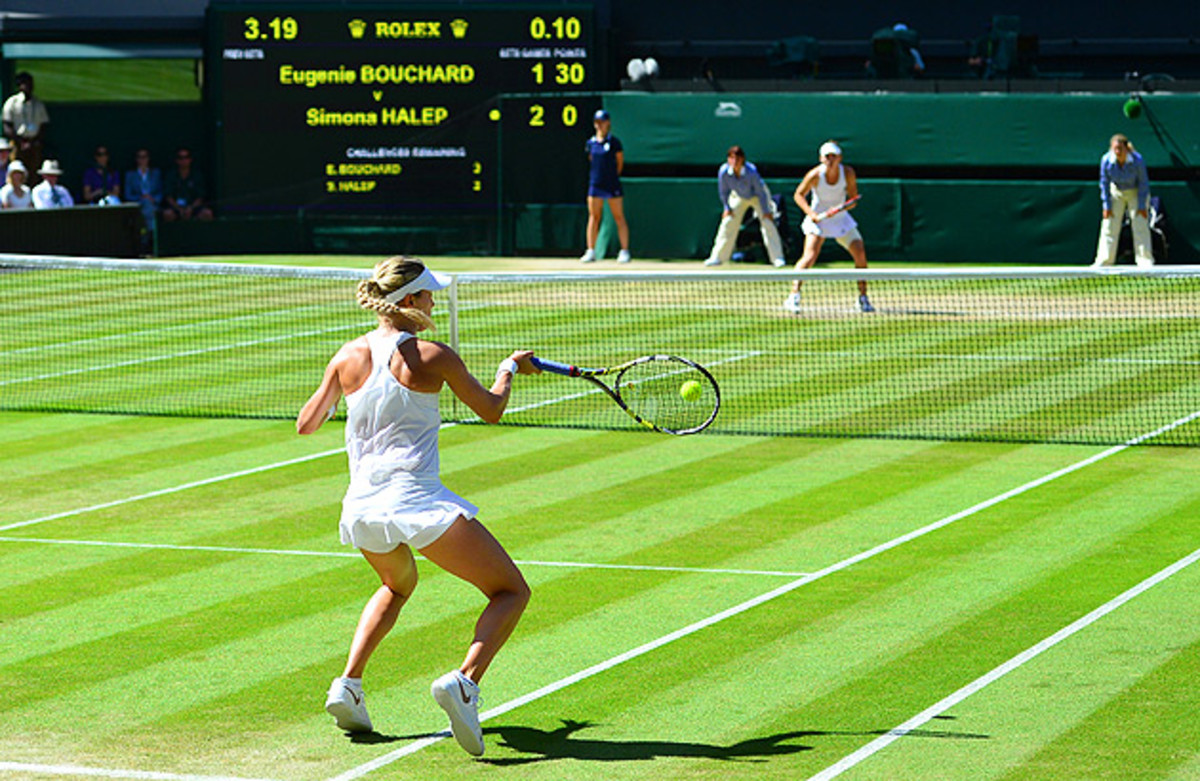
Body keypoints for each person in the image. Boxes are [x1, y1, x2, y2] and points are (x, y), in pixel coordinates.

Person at [297, 257, 534, 757]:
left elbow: (307, 424)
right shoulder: (433, 356)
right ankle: (464, 683)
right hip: (416, 501)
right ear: (409, 302)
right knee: (510, 591)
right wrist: (509, 369)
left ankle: (349, 684)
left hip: (361, 508)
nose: (432, 303)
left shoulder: (346, 356)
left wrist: (338, 393)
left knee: (397, 584)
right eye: (427, 296)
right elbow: (491, 410)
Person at [784, 141, 873, 313]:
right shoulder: (815, 175)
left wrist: (841, 208)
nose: (830, 160)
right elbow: (799, 195)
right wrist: (812, 214)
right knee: (809, 257)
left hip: (841, 219)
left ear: (839, 158)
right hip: (819, 219)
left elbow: (853, 199)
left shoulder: (847, 173)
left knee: (860, 252)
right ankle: (793, 296)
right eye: (827, 156)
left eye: (834, 156)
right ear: (821, 158)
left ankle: (863, 298)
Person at [703, 145, 786, 267]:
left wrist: (765, 211)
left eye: (737, 158)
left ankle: (777, 258)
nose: (734, 162)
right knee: (728, 222)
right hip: (738, 196)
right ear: (728, 160)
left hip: (758, 196)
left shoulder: (751, 171)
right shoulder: (724, 172)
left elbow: (761, 192)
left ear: (742, 159)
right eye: (731, 158)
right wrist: (727, 207)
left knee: (768, 223)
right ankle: (717, 258)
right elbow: (723, 191)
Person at [1093, 133, 1153, 267]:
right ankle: (1104, 261)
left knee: (1140, 226)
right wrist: (1107, 206)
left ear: (1127, 149)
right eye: (1115, 148)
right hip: (1116, 192)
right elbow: (1104, 184)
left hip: (1136, 193)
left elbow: (1143, 183)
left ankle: (1145, 261)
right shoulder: (1106, 161)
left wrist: (1142, 206)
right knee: (1109, 226)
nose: (1118, 152)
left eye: (1120, 148)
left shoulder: (1138, 160)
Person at [580, 109, 631, 263]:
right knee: (594, 217)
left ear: (608, 123)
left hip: (612, 185)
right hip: (595, 184)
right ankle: (590, 251)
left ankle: (624, 251)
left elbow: (619, 163)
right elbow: (591, 161)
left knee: (618, 217)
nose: (600, 125)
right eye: (597, 122)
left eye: (602, 122)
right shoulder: (590, 143)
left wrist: (612, 177)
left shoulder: (614, 143)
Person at [2, 72, 50, 182]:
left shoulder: (38, 104)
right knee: (16, 168)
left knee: (34, 170)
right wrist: (19, 141)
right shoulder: (12, 102)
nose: (27, 87)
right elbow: (7, 125)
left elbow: (44, 125)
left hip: (34, 142)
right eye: (24, 84)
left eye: (29, 84)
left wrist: (33, 141)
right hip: (17, 142)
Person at [161, 146, 213, 222]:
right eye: (180, 158)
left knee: (207, 213)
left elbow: (201, 196)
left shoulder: (197, 175)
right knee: (167, 214)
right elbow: (168, 196)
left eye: (186, 157)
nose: (183, 160)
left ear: (190, 159)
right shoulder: (171, 175)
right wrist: (179, 209)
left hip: (194, 207)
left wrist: (191, 208)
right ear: (177, 160)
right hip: (176, 208)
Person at [124, 148, 163, 245]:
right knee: (146, 206)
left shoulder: (156, 173)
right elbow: (128, 195)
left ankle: (146, 239)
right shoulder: (130, 175)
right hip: (138, 205)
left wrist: (152, 199)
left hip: (154, 204)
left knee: (148, 206)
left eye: (144, 157)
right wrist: (141, 199)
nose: (142, 160)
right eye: (140, 157)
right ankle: (152, 236)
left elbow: (160, 192)